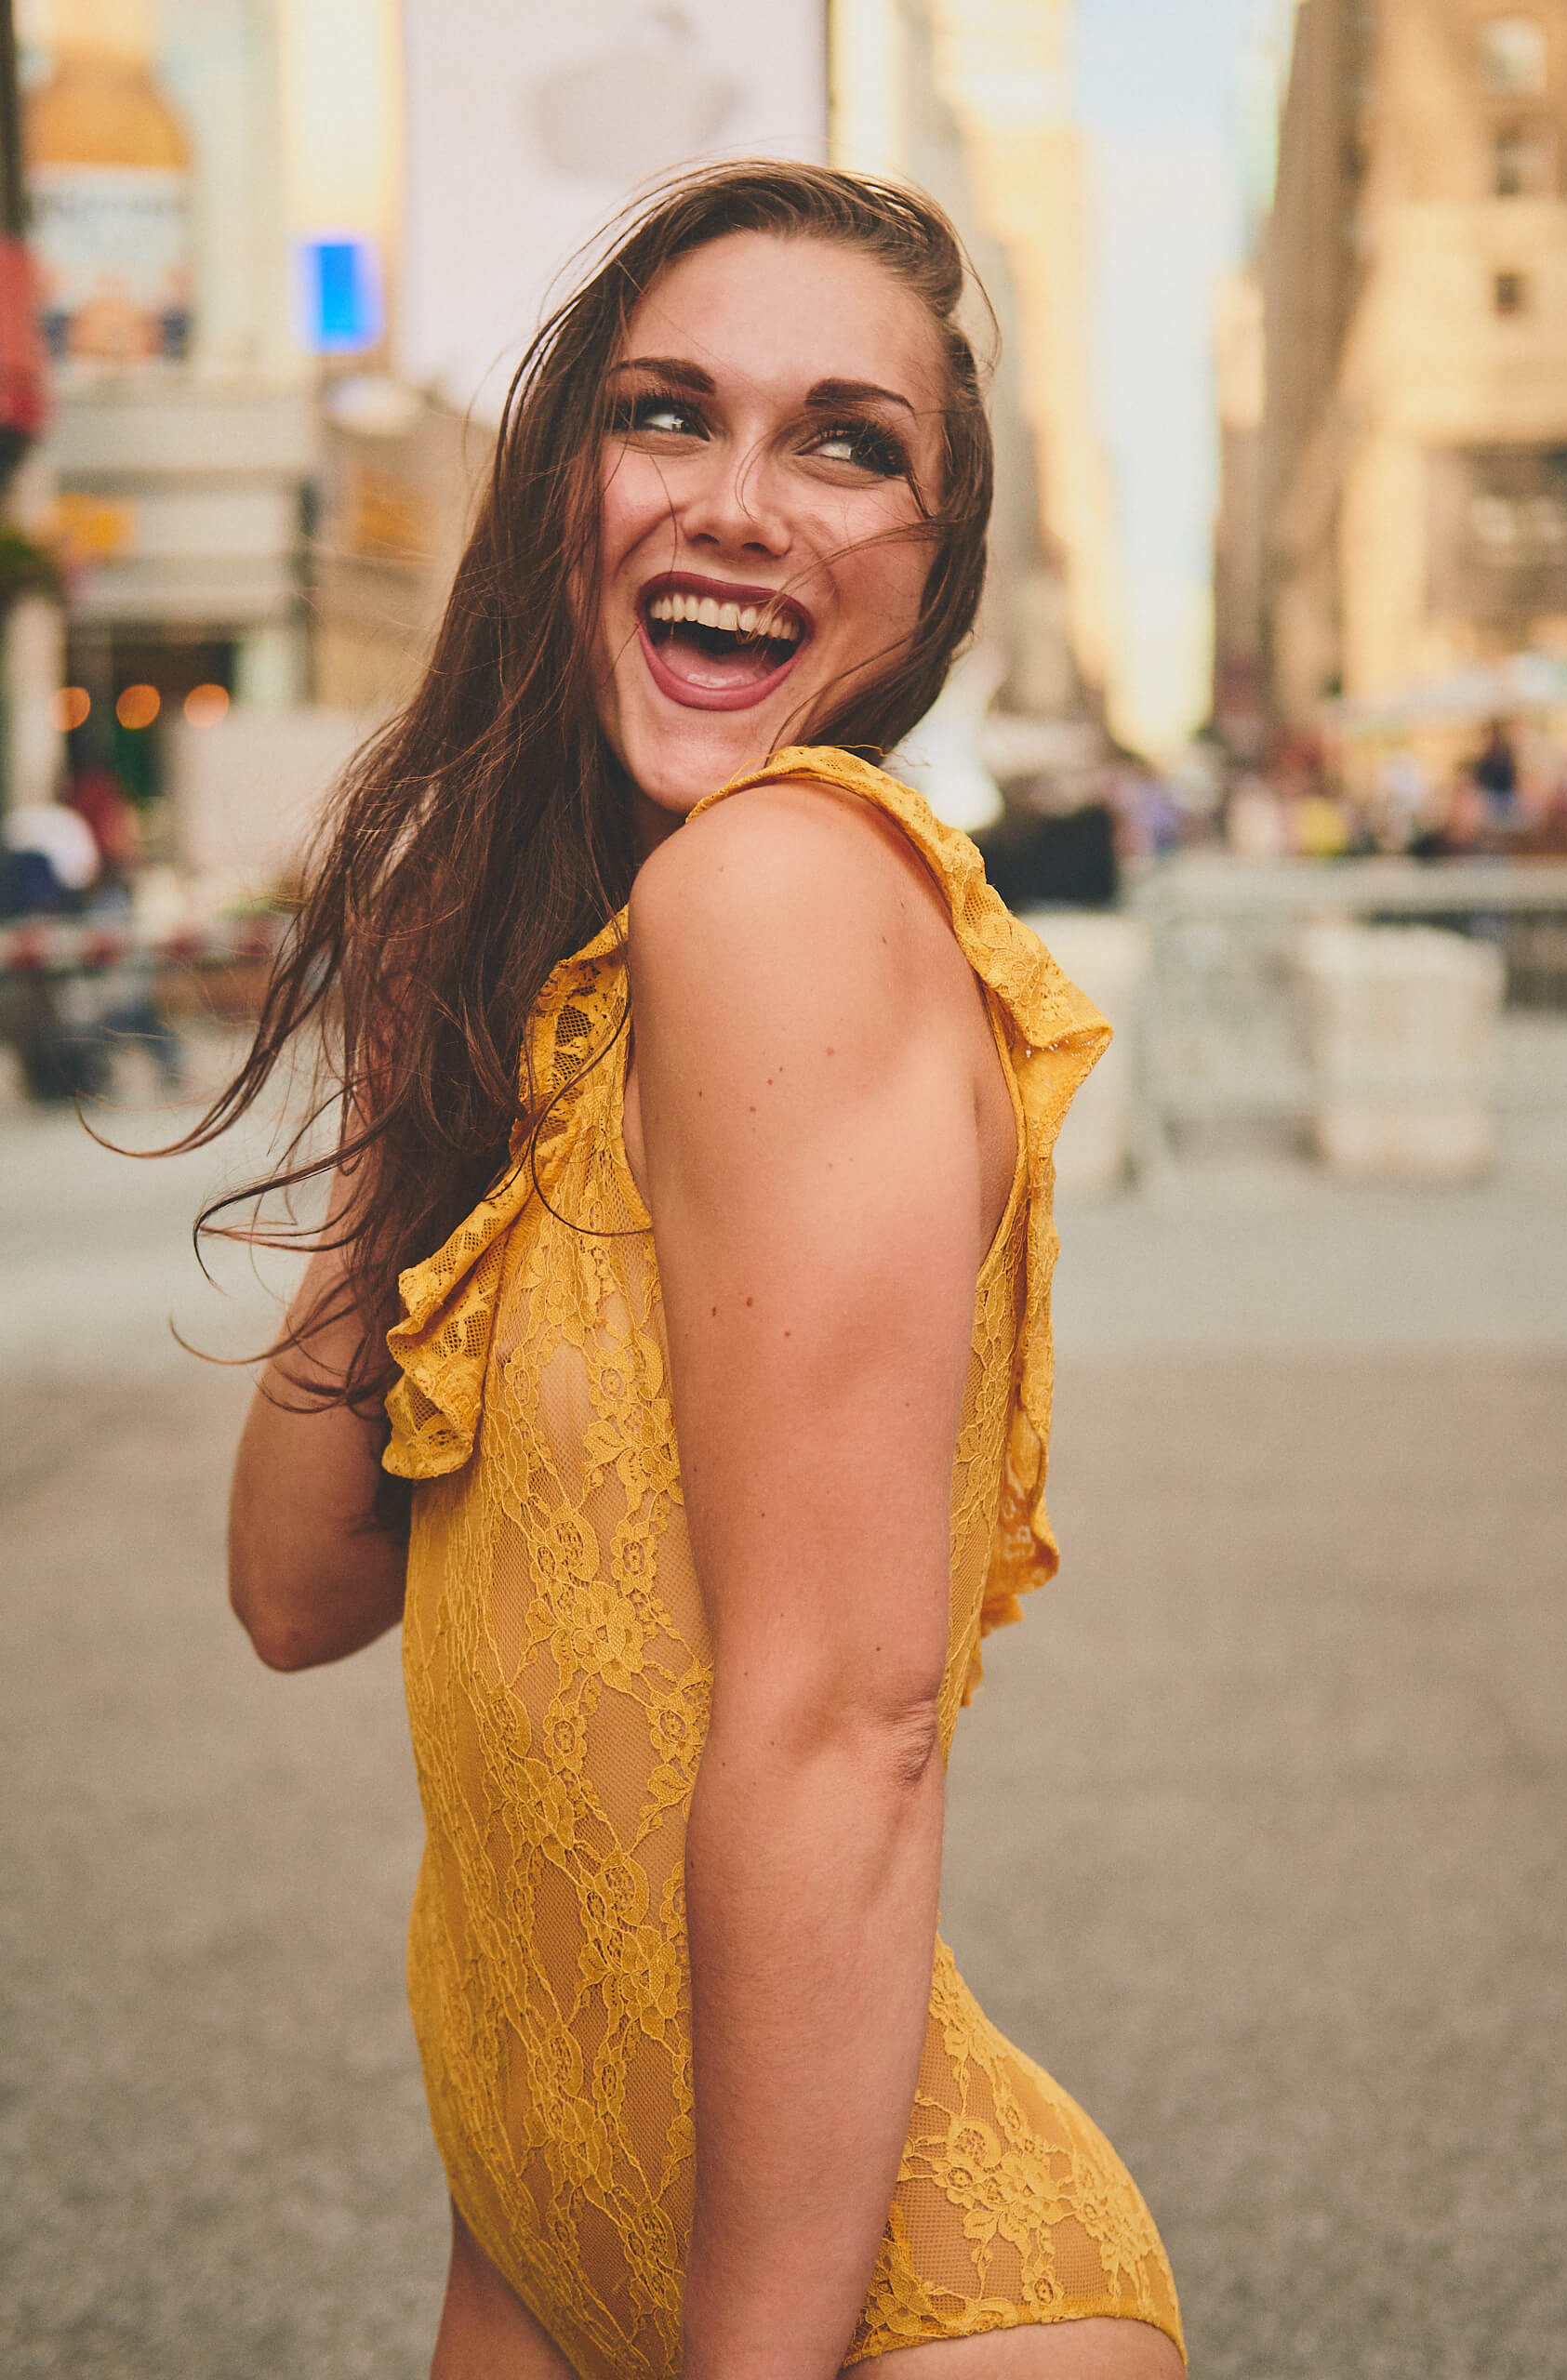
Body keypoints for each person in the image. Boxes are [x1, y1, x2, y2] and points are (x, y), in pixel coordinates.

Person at [202, 165, 1184, 2378]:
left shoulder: (779, 891)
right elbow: (295, 1590)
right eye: (669, 413)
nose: (743, 501)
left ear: (932, 571)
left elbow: (847, 1727)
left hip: (878, 2309)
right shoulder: (596, 970)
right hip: (542, 2248)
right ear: (566, 488)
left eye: (851, 444)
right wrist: (428, 1032)